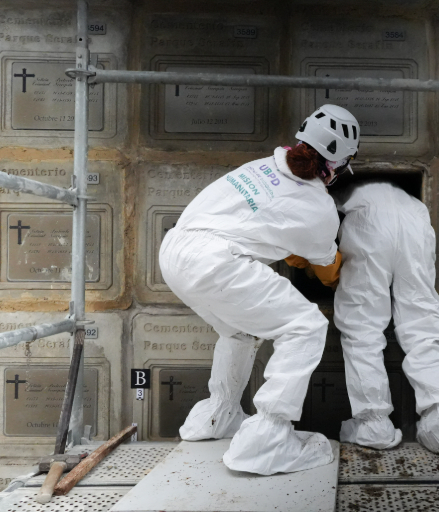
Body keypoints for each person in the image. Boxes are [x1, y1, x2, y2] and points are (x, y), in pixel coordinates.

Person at [158, 105, 359, 475]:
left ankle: (218, 416)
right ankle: (267, 440)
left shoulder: (261, 166)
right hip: (216, 262)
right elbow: (327, 267)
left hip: (174, 252)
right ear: (337, 165)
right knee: (306, 327)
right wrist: (340, 276)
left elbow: (267, 220)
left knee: (239, 330)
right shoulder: (319, 205)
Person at [333, 181, 439, 455]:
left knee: (361, 325)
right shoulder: (406, 195)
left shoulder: (337, 189)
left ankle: (373, 424)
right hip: (416, 220)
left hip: (368, 221)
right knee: (421, 323)